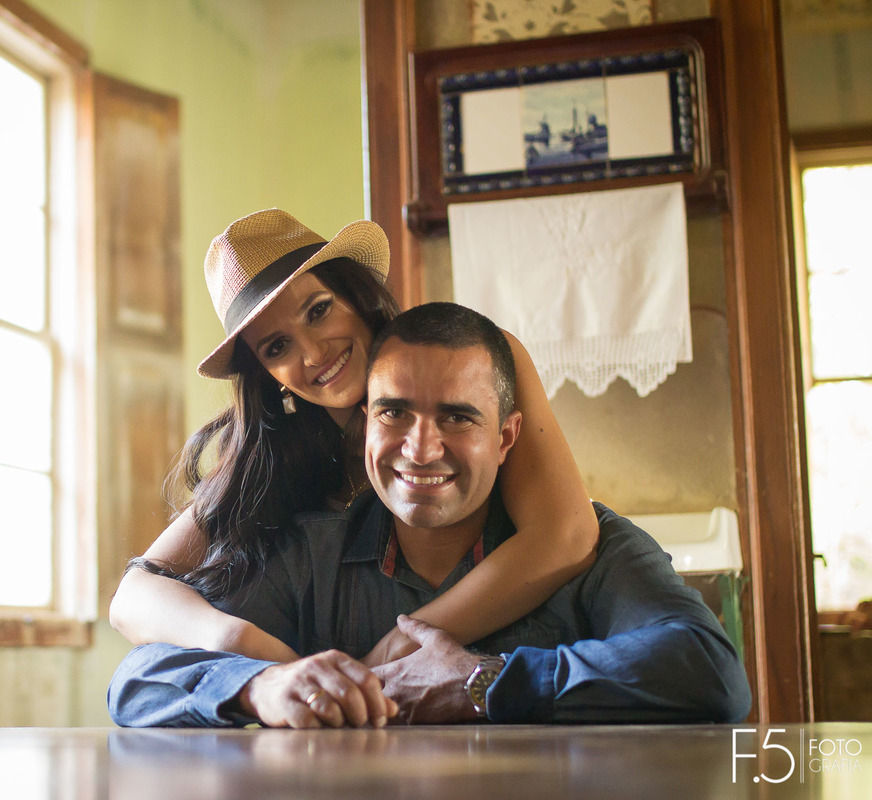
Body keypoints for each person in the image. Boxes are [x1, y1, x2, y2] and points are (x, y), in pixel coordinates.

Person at [107, 303, 751, 728]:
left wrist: (487, 681)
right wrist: (260, 686)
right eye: (393, 413)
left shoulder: (597, 547)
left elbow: (711, 673)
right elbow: (135, 681)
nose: (421, 449)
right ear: (364, 425)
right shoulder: (310, 550)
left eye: (458, 416)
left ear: (507, 437)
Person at [109, 209, 598, 671]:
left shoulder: (481, 360)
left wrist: (399, 647)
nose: (314, 353)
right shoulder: (272, 452)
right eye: (277, 347)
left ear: (356, 295)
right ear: (267, 372)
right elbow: (134, 596)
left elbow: (566, 538)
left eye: (318, 311)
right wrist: (243, 647)